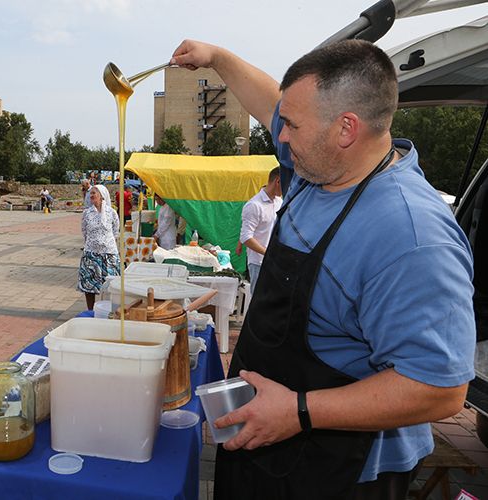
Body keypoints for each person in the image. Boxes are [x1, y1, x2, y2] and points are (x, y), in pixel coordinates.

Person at [170, 39, 475, 499]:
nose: (280, 136)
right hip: (266, 441)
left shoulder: (411, 236)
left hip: (337, 471)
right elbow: (271, 101)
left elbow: (439, 387)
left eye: (291, 125)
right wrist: (217, 57)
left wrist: (299, 411)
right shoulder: (319, 165)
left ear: (345, 129)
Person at [240, 166, 282, 294]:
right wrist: (268, 252)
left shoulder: (279, 202)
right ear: (278, 181)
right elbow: (246, 237)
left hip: (274, 260)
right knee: (258, 302)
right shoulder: (254, 205)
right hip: (259, 262)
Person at [78, 184, 120, 310]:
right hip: (91, 253)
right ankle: (91, 310)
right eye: (90, 193)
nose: (91, 195)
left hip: (109, 253)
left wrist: (105, 241)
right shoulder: (87, 213)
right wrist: (93, 242)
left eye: (94, 193)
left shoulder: (111, 212)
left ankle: (111, 310)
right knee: (89, 285)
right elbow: (84, 231)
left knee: (112, 285)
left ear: (102, 196)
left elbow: (115, 230)